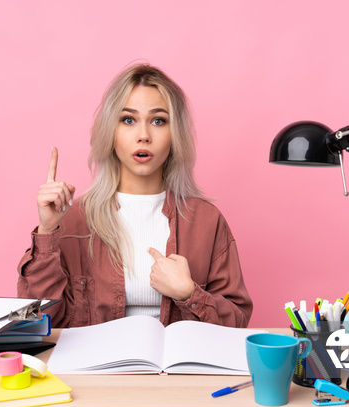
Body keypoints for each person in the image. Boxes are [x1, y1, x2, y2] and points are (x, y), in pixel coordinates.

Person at [17, 63, 252, 328]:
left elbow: (237, 322)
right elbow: (36, 322)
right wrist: (48, 230)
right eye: (128, 120)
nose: (143, 136)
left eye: (158, 121)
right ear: (111, 132)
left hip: (178, 368)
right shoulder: (72, 220)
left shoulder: (207, 221)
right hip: (95, 368)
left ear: (175, 135)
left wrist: (188, 294)